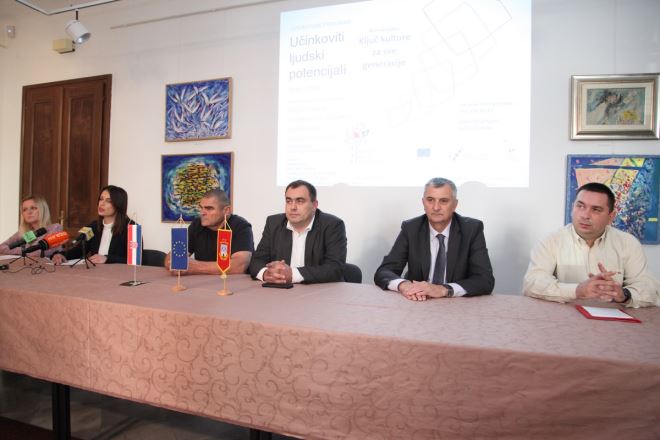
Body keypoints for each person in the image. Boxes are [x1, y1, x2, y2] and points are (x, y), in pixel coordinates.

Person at [523, 182, 659, 308]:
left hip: (612, 318)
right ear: (573, 208)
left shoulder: (628, 243)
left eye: (596, 209)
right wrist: (577, 290)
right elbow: (532, 283)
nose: (585, 215)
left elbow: (650, 289)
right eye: (580, 206)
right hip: (564, 317)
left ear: (611, 216)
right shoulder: (551, 241)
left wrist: (624, 294)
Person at [374, 177, 495, 301]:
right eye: (430, 200)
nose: (436, 207)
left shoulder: (471, 229)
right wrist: (404, 285)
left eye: (443, 201)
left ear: (455, 204)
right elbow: (384, 271)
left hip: (456, 304)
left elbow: (485, 280)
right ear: (423, 202)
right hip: (418, 301)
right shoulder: (411, 228)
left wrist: (443, 289)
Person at [249, 180, 347, 284]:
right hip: (281, 290)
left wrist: (292, 274)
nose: (293, 207)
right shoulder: (273, 223)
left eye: (300, 201)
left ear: (314, 205)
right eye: (289, 201)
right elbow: (256, 261)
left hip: (320, 290)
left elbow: (335, 268)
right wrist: (266, 274)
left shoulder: (332, 225)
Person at [164, 188, 254, 275]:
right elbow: (173, 256)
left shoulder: (241, 226)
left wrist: (196, 267)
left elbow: (239, 266)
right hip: (202, 281)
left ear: (226, 211)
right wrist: (172, 262)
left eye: (209, 208)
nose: (202, 213)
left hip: (232, 282)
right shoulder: (197, 225)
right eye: (201, 208)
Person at [52, 185, 132, 265]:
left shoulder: (132, 228)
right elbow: (78, 250)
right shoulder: (94, 226)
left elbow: (135, 260)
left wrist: (107, 259)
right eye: (101, 199)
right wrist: (61, 255)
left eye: (108, 201)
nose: (102, 204)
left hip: (117, 272)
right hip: (96, 271)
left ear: (118, 205)